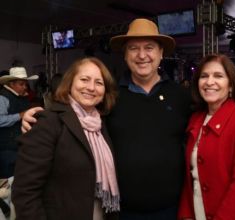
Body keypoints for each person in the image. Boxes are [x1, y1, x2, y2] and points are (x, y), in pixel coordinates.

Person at [22, 18, 192, 219]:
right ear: (125, 54)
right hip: (120, 211)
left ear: (161, 53)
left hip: (171, 210)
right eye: (133, 48)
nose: (142, 55)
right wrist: (37, 115)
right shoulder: (110, 97)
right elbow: (77, 113)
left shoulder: (181, 96)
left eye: (149, 47)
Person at [12, 57, 120, 219]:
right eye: (84, 79)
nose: (91, 87)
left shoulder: (100, 124)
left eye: (99, 83)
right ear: (70, 83)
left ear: (105, 91)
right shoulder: (49, 122)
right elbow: (25, 192)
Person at [178, 54, 235, 220]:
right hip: (196, 210)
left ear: (231, 85)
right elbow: (189, 177)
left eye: (218, 76)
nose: (209, 82)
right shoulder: (195, 118)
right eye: (204, 76)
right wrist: (186, 215)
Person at [0, 67, 38, 178]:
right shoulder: (2, 98)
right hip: (7, 149)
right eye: (21, 84)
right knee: (9, 180)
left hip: (20, 145)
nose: (25, 87)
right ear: (12, 84)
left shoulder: (22, 97)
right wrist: (20, 115)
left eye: (25, 84)